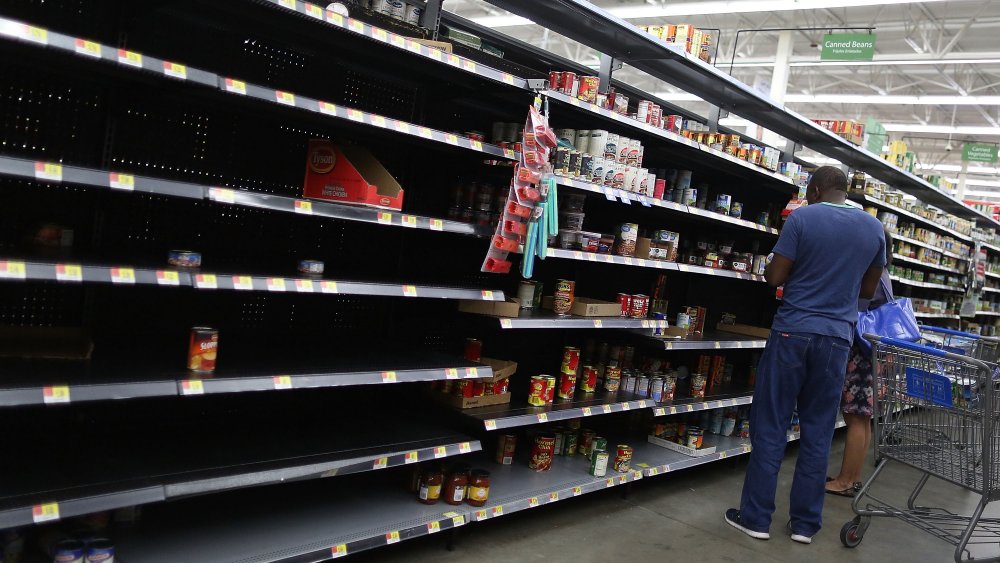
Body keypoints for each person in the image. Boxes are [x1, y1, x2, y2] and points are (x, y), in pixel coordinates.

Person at [725, 166, 886, 545]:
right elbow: (868, 287)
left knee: (771, 425)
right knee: (817, 433)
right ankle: (804, 526)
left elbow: (775, 277)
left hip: (792, 331)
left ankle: (756, 518)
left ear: (814, 190)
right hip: (837, 338)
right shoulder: (874, 228)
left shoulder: (803, 218)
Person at [825, 227, 895, 497]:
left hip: (863, 355)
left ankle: (845, 481)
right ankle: (851, 477)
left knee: (855, 418)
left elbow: (856, 308)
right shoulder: (884, 273)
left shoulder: (872, 274)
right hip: (875, 354)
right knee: (863, 420)